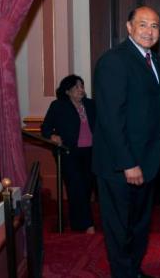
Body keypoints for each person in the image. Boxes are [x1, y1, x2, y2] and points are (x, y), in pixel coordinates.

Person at [92, 6, 160, 278]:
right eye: (143, 24)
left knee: (139, 225)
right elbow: (110, 119)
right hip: (120, 166)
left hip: (147, 164)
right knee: (119, 228)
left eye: (155, 26)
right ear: (129, 27)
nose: (149, 31)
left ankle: (134, 270)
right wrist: (128, 163)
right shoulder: (115, 61)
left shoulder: (156, 62)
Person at [41, 74, 96, 234]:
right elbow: (45, 127)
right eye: (77, 87)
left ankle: (77, 223)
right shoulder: (58, 106)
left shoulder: (91, 105)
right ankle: (88, 225)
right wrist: (52, 136)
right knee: (76, 187)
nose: (81, 90)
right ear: (67, 91)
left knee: (86, 189)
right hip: (68, 153)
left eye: (82, 86)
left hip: (90, 152)